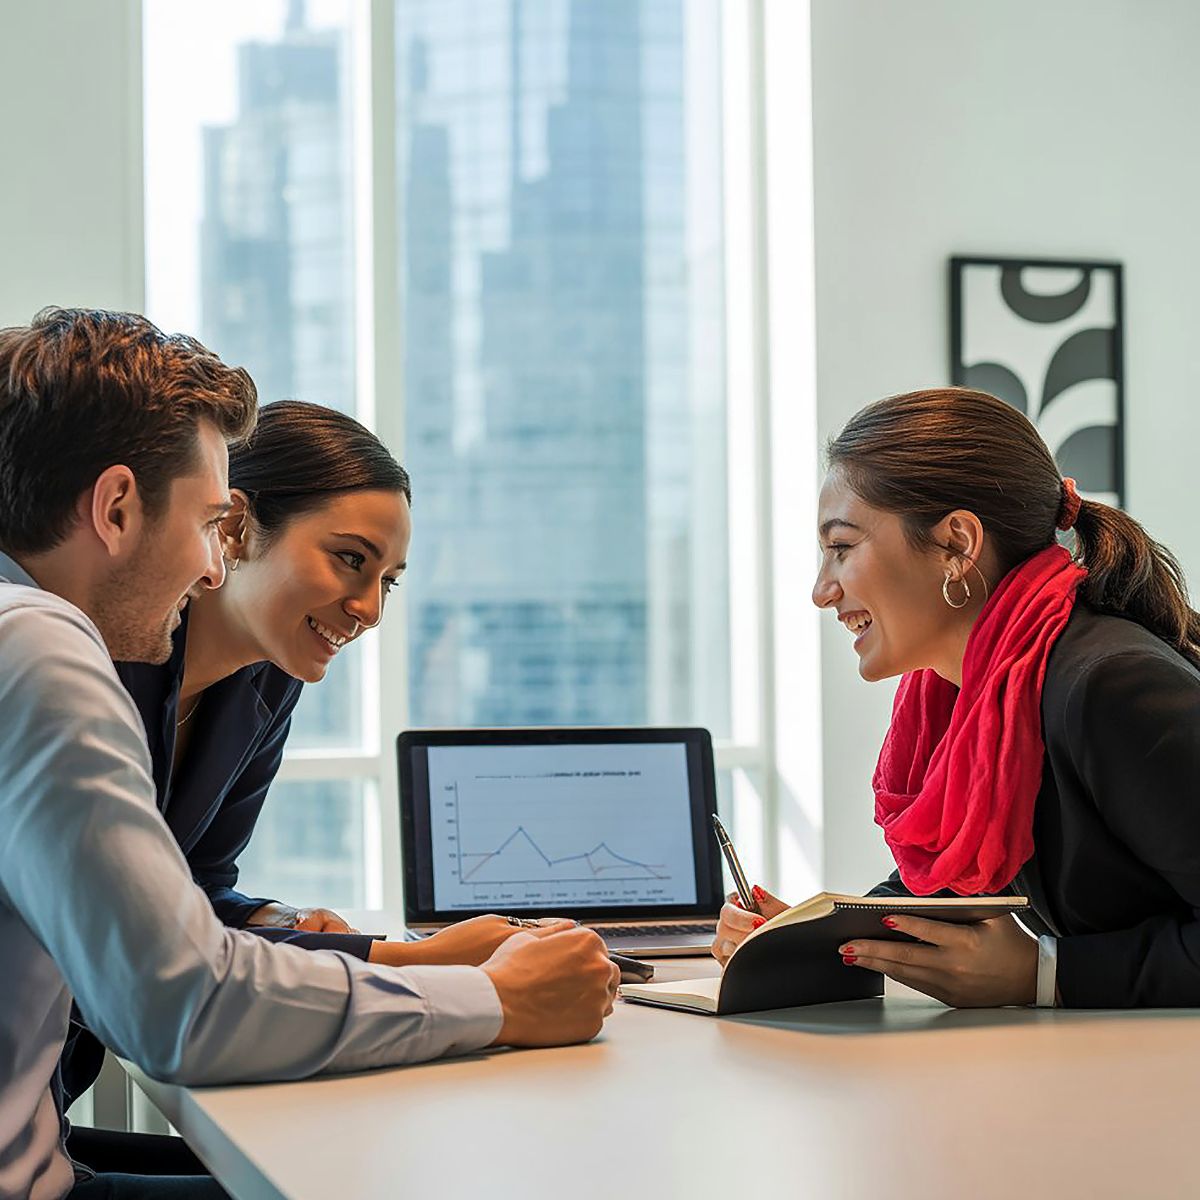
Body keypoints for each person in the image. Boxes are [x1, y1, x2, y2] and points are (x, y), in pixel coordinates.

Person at [0, 308, 619, 1200]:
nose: (212, 567)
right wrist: (495, 1000)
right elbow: (176, 1000)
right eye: (210, 521)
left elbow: (192, 907)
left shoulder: (245, 684)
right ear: (119, 506)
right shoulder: (47, 647)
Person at [61, 400, 556, 1164]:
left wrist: (269, 916)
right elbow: (131, 942)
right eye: (350, 560)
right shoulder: (91, 666)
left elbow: (190, 891)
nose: (369, 610)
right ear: (233, 528)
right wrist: (417, 963)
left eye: (388, 581)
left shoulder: (265, 682)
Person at [712, 386, 1200, 1009]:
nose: (821, 591)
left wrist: (1044, 974)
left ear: (956, 545)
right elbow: (953, 886)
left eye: (841, 548)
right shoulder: (979, 690)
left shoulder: (1111, 684)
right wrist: (799, 938)